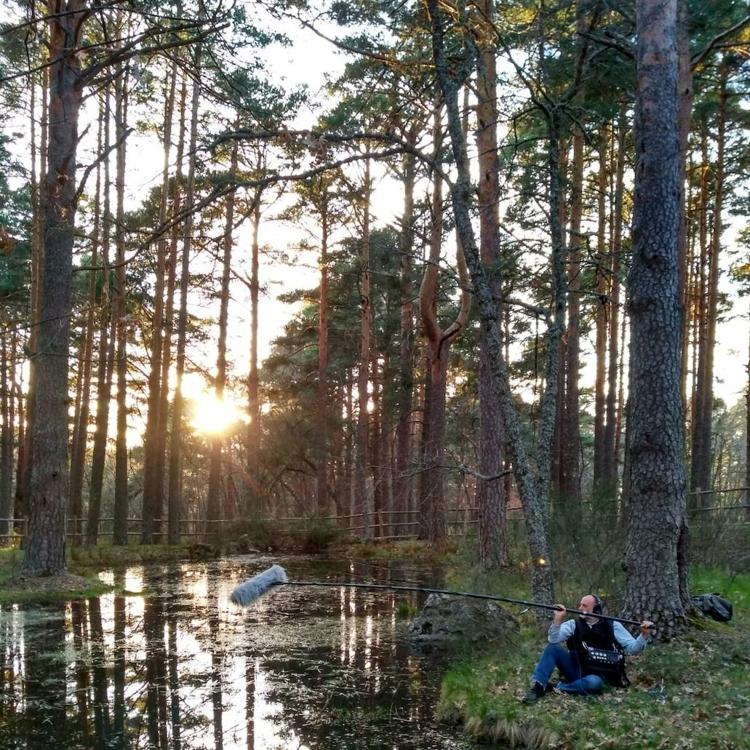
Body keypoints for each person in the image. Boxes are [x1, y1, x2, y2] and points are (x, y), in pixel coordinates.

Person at [521, 594, 654, 703]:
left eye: (584, 606)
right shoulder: (573, 625)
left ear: (596, 610)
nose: (579, 608)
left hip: (599, 675)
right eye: (580, 604)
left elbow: (633, 648)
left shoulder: (613, 625)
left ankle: (557, 687)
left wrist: (644, 634)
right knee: (552, 648)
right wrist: (558, 620)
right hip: (576, 669)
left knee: (593, 683)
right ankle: (538, 687)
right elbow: (553, 639)